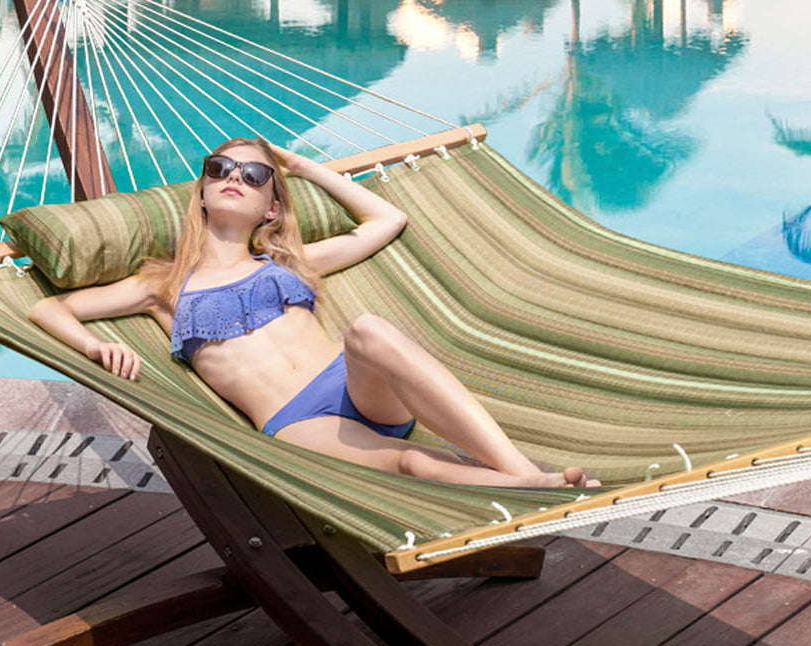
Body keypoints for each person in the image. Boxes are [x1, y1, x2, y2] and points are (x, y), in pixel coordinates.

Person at [29, 136, 596, 489]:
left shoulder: (291, 262)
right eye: (220, 168)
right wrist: (94, 346)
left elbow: (386, 221)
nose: (233, 178)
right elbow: (49, 309)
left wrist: (300, 165)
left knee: (369, 329)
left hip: (353, 387)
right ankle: (528, 486)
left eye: (253, 176)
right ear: (200, 192)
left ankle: (519, 470)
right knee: (415, 466)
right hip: (298, 424)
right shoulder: (163, 285)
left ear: (271, 208)